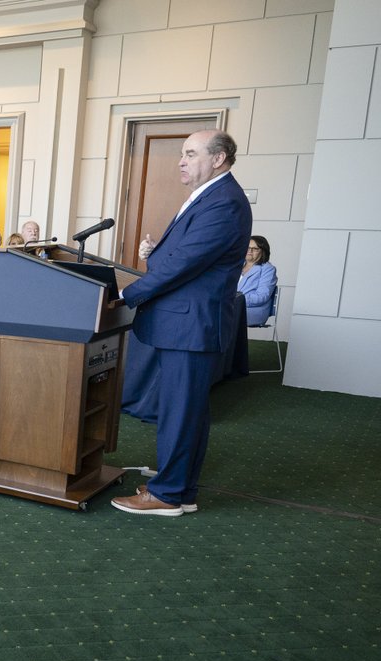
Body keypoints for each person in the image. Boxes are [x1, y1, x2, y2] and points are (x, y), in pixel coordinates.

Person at [112, 130, 252, 517]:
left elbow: (186, 264)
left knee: (180, 411)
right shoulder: (211, 195)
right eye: (181, 153)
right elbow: (186, 255)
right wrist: (156, 255)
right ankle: (181, 488)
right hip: (186, 322)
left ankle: (168, 494)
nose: (181, 160)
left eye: (191, 153)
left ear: (219, 158)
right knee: (185, 410)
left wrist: (127, 294)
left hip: (192, 326)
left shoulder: (223, 201)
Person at [239, 235, 278, 326]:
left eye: (255, 249)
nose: (250, 251)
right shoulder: (237, 266)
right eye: (248, 247)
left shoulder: (268, 269)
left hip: (254, 310)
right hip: (233, 307)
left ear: (263, 251)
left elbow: (262, 296)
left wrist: (236, 300)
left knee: (219, 314)